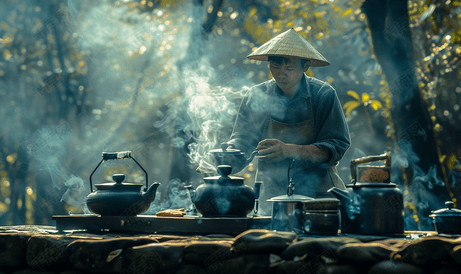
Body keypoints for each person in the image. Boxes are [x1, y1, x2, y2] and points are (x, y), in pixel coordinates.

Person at [225, 28, 351, 214]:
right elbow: (243, 142)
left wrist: (290, 150)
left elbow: (336, 146)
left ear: (305, 66)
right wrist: (227, 156)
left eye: (289, 68)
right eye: (275, 67)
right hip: (271, 199)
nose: (281, 74)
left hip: (320, 200)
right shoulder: (256, 96)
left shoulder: (323, 95)